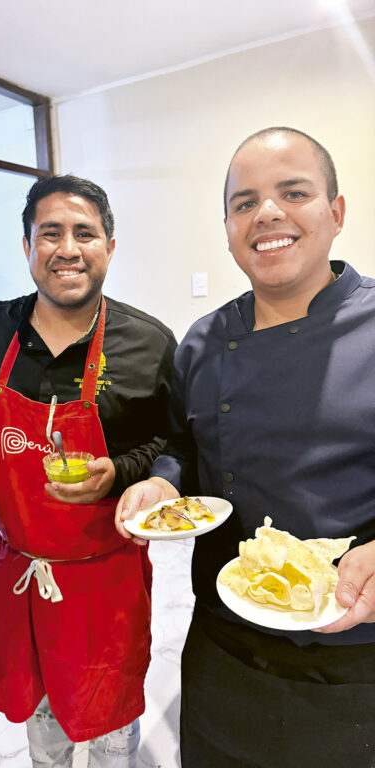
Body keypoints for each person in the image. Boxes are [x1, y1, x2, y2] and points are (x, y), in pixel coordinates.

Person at [116, 127, 375, 767]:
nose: (267, 214)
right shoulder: (203, 340)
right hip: (221, 647)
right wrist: (165, 484)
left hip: (350, 655)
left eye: (294, 192)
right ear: (229, 226)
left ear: (336, 213)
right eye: (244, 202)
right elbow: (184, 442)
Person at [0, 175, 176, 766]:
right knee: (41, 713)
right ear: (27, 246)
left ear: (109, 245)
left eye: (85, 233)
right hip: (19, 570)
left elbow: (176, 444)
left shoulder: (148, 344)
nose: (67, 248)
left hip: (107, 578)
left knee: (109, 721)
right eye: (49, 233)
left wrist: (122, 471)